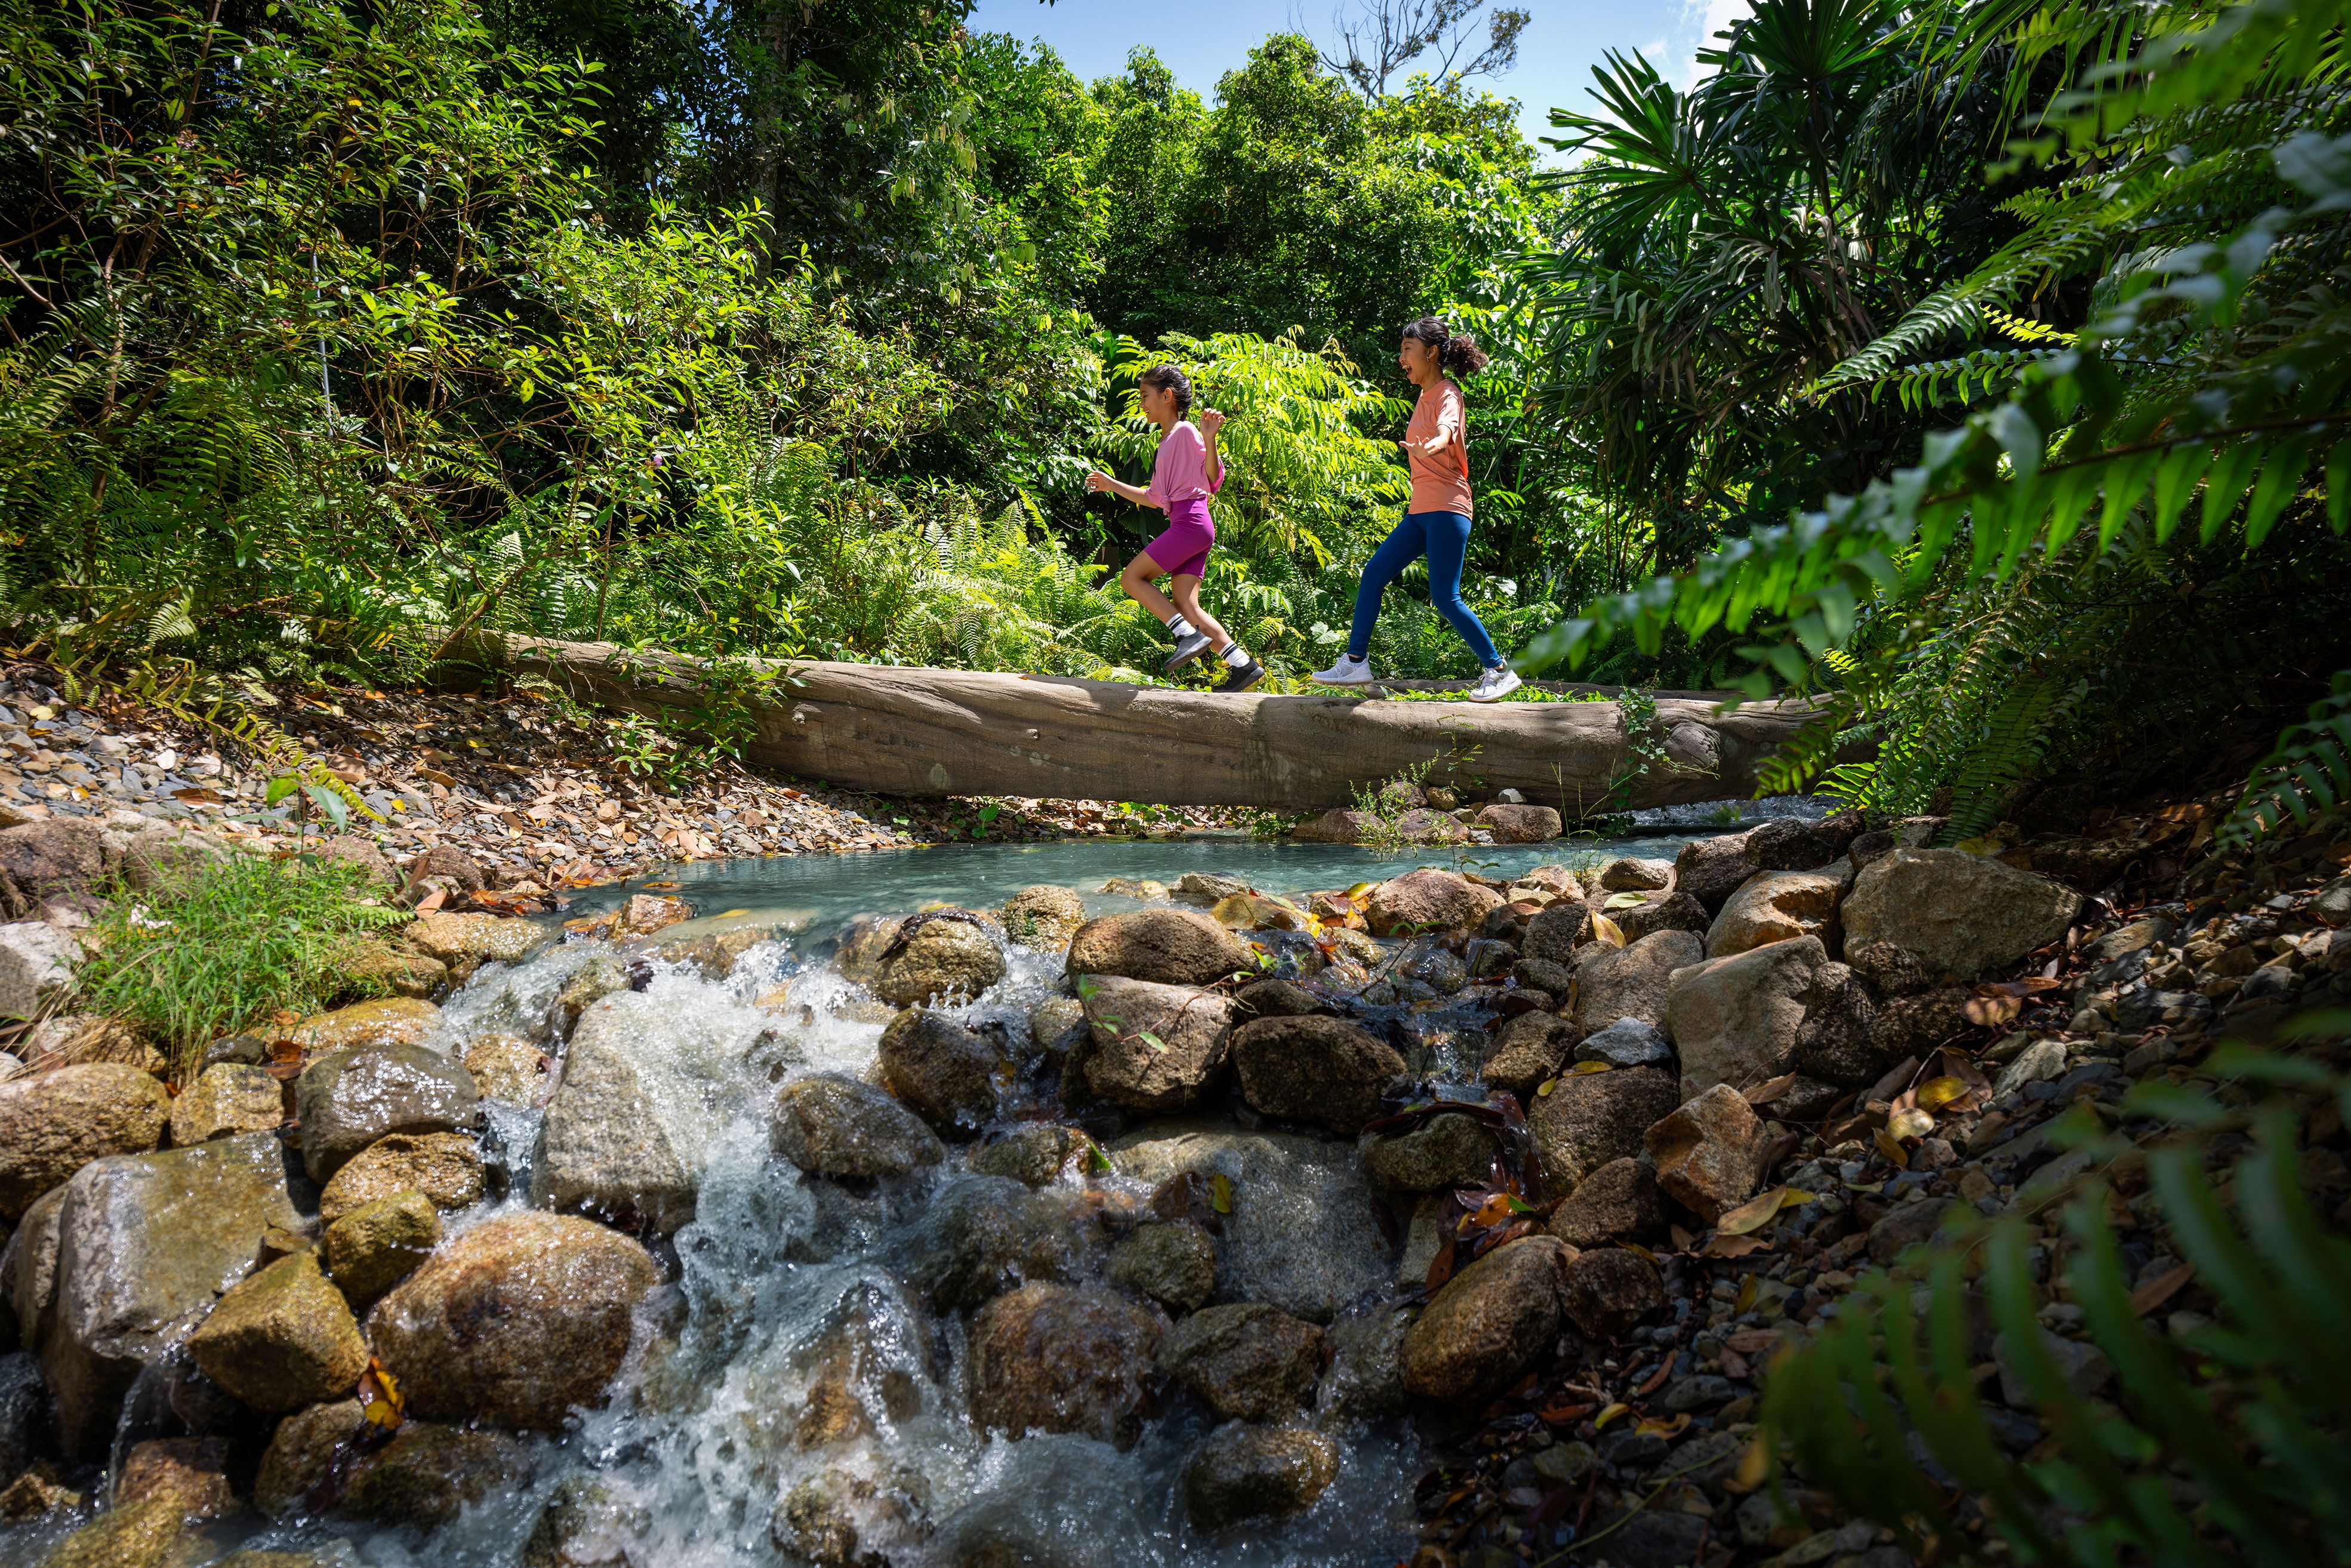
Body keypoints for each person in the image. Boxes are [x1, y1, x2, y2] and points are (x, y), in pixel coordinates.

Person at [1311, 316, 1520, 702]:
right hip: (1421, 511)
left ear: (1431, 352)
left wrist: (1436, 444)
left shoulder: (1446, 393)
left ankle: (1498, 670)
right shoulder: (1423, 397)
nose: (1401, 357)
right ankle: (1355, 661)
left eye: (1408, 349)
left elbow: (1447, 428)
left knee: (1445, 597)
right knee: (1373, 573)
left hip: (1447, 508)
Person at [1085, 365, 1264, 694]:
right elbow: (1154, 498)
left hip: (1191, 523)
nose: (1142, 404)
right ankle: (1243, 666)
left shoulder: (1183, 432)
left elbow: (1212, 480)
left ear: (1167, 396)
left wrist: (1209, 439)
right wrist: (1112, 485)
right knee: (1186, 603)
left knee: (1131, 578)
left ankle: (1185, 634)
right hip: (1191, 525)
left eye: (1145, 396)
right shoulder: (1167, 441)